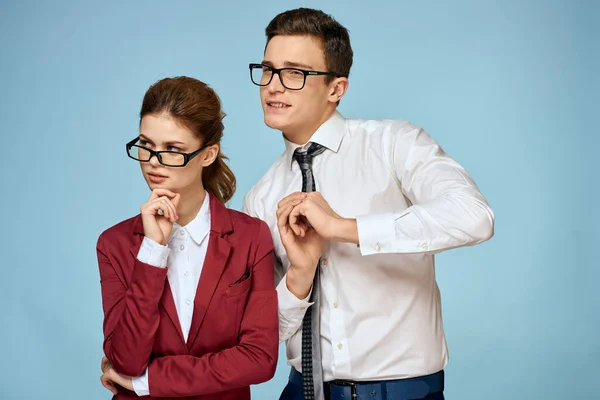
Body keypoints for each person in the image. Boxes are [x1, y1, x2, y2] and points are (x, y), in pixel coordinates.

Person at [242, 8, 495, 400]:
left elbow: (474, 217)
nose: (274, 86)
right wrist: (300, 276)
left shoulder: (394, 145)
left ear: (336, 88)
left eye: (295, 72)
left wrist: (345, 228)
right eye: (268, 69)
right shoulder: (260, 196)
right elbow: (263, 332)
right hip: (301, 391)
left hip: (403, 392)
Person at [97, 76, 278, 399]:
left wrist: (146, 381)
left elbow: (259, 359)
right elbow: (126, 359)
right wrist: (153, 250)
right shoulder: (114, 244)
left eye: (172, 150)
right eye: (146, 145)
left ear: (208, 155)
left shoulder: (250, 237)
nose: (153, 161)